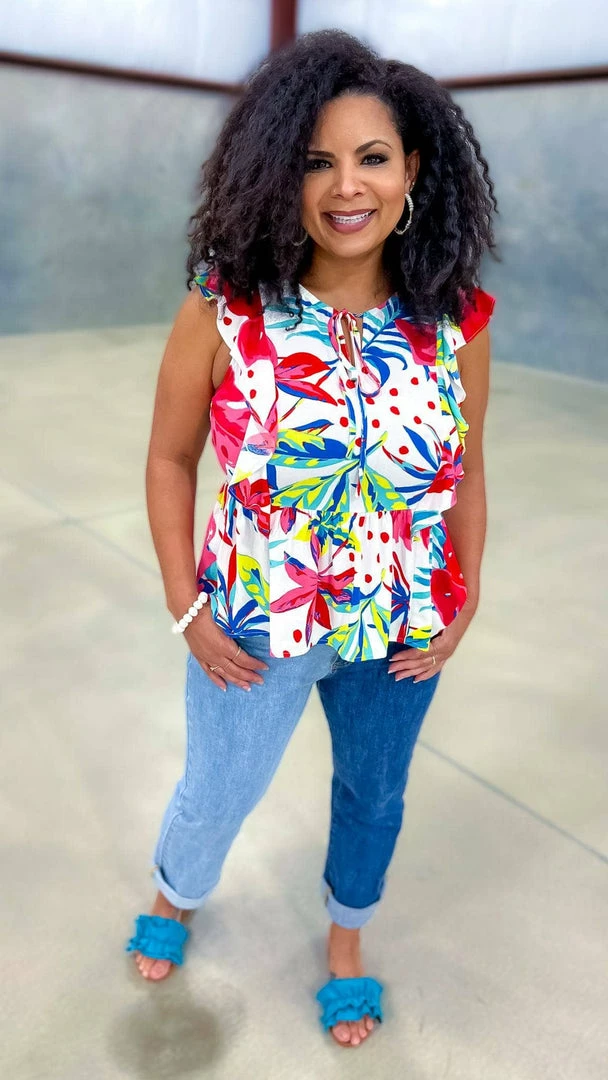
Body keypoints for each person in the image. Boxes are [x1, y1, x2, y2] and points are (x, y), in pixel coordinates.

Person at [125, 29, 497, 1048]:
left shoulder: (455, 320)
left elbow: (465, 468)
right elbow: (169, 458)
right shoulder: (227, 307)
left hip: (402, 626)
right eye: (314, 161)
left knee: (374, 796)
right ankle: (174, 892)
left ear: (411, 170)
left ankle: (344, 941)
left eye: (372, 158)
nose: (345, 187)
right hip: (254, 623)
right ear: (276, 174)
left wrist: (464, 598)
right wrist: (186, 606)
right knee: (219, 788)